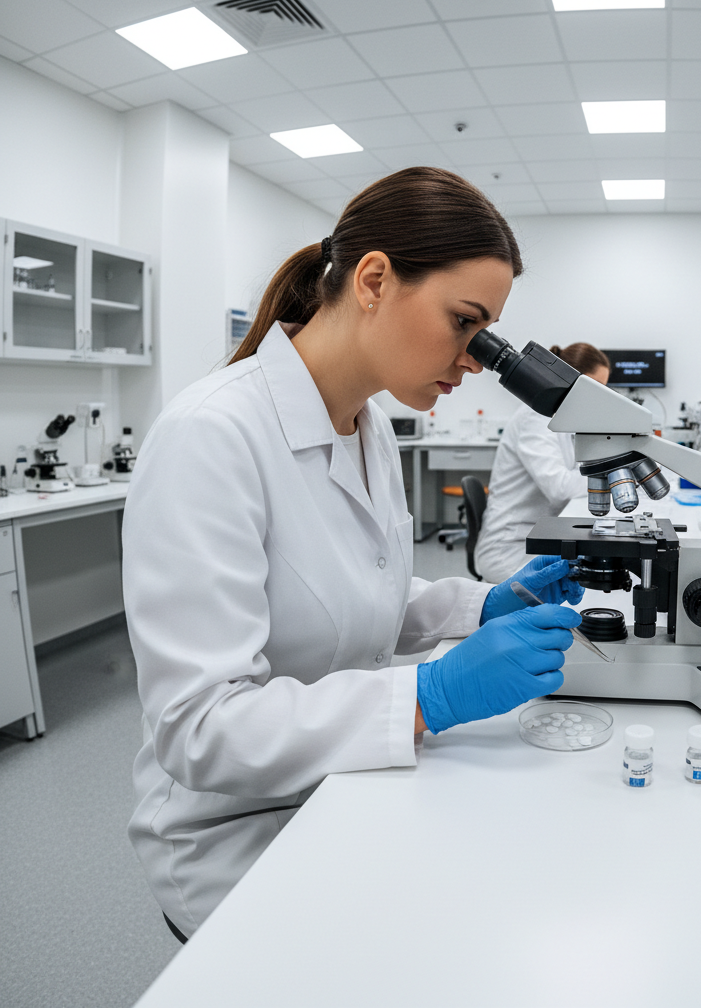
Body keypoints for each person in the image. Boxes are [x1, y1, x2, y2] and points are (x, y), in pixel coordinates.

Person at [122, 168, 583, 941]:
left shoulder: (366, 424)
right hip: (238, 840)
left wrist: (481, 605)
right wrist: (427, 695)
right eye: (466, 322)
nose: (477, 359)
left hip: (346, 785)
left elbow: (356, 597)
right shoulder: (213, 435)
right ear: (374, 279)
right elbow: (199, 728)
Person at [474, 343, 610, 583]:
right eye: (595, 389)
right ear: (572, 380)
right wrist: (612, 475)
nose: (598, 399)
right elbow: (559, 489)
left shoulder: (563, 418)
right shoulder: (535, 417)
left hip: (538, 538)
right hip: (510, 550)